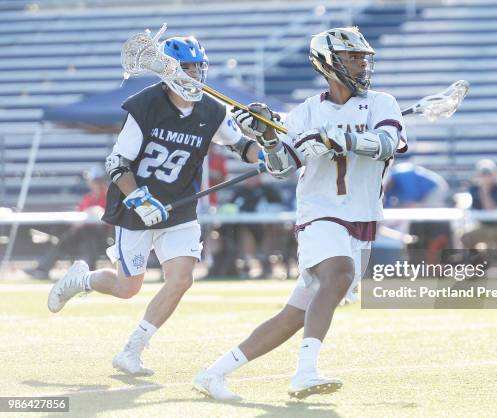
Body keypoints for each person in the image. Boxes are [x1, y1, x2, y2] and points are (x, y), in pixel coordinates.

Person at [45, 36, 288, 376]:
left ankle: (132, 350)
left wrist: (268, 153)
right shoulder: (145, 105)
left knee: (181, 278)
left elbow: (241, 146)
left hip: (179, 207)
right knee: (127, 287)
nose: (194, 75)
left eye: (198, 68)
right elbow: (117, 165)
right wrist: (140, 199)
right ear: (170, 70)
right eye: (186, 68)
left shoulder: (212, 109)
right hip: (136, 205)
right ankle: (82, 280)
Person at [192, 27, 407, 400]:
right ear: (328, 63)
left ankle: (214, 373)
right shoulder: (304, 113)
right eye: (353, 58)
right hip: (321, 214)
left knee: (295, 314)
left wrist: (338, 139)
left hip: (363, 220)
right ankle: (305, 372)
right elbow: (280, 167)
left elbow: (390, 143)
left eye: (363, 58)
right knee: (339, 273)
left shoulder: (382, 102)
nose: (361, 65)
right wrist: (269, 138)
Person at [25, 166, 110, 280]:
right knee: (65, 239)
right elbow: (80, 217)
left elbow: (107, 217)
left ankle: (88, 274)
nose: (94, 184)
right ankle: (42, 270)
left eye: (97, 181)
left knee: (87, 237)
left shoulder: (110, 196)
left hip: (102, 236)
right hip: (81, 235)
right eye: (93, 181)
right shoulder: (88, 198)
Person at [460, 159, 497, 252]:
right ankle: (479, 260)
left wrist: (485, 191)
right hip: (482, 225)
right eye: (483, 174)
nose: (486, 177)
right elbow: (471, 209)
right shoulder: (474, 189)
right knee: (465, 237)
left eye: (489, 173)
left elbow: (490, 209)